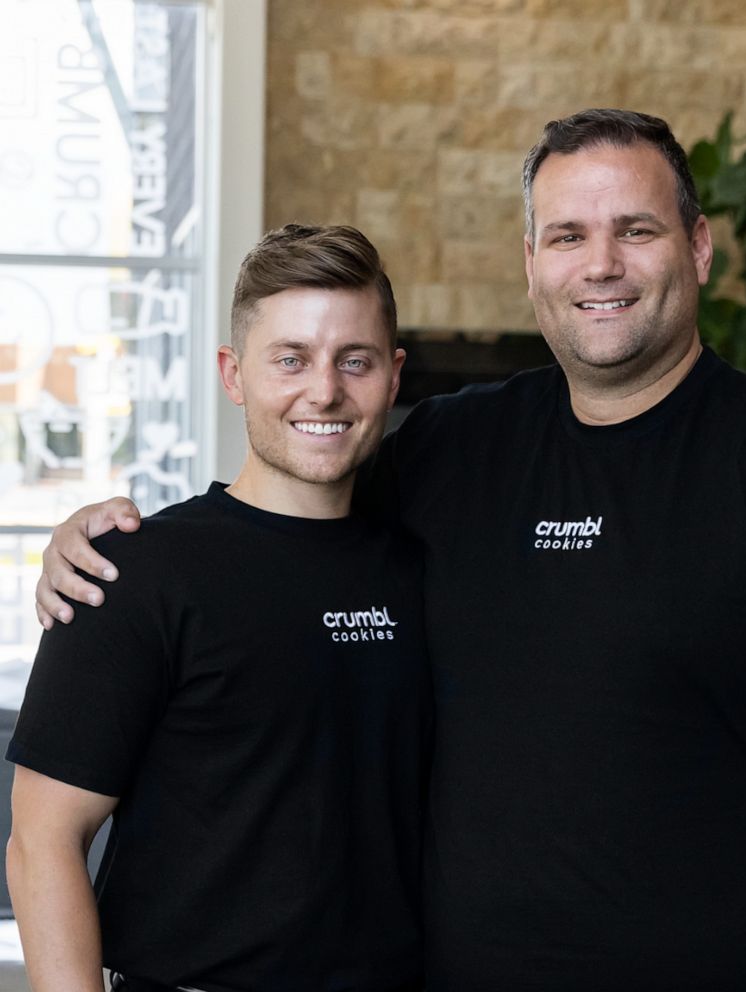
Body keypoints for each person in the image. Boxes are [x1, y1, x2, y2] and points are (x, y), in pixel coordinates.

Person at [35, 110, 746, 992]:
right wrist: (107, 543)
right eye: (568, 236)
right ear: (531, 264)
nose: (600, 264)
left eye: (636, 230)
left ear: (697, 247)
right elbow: (285, 505)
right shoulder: (455, 447)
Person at [9, 224, 430, 992]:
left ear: (394, 377)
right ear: (233, 374)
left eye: (355, 361)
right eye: (290, 359)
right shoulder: (135, 571)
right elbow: (42, 839)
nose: (325, 390)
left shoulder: (426, 567)